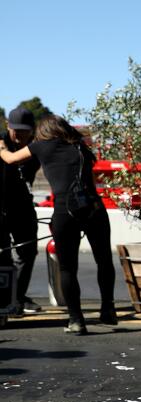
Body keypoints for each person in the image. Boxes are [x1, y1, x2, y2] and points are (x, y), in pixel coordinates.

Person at [0, 115, 115, 334]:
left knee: (68, 267)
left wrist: (2, 147)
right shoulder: (80, 146)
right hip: (94, 207)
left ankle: (76, 320)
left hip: (66, 210)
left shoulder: (41, 145)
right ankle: (108, 309)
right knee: (104, 261)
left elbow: (11, 159)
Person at [1, 107, 41, 313]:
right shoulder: (0, 143)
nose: (19, 135)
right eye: (15, 130)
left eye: (24, 131)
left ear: (31, 130)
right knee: (3, 257)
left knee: (28, 252)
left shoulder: (36, 148)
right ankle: (6, 300)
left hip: (23, 207)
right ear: (8, 127)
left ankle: (18, 296)